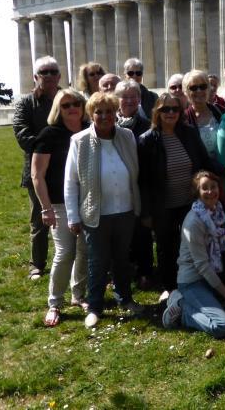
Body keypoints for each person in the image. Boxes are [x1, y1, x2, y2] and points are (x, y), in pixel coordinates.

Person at [64, 92, 144, 328]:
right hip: (95, 213)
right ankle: (95, 306)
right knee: (97, 262)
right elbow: (71, 181)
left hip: (125, 209)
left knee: (122, 259)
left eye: (109, 111)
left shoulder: (127, 136)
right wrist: (72, 215)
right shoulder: (79, 141)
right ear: (91, 115)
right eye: (99, 112)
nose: (105, 116)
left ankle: (125, 299)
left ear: (115, 113)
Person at [138, 93, 225, 299]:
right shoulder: (147, 141)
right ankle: (169, 288)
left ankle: (198, 282)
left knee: (192, 245)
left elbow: (205, 160)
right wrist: (146, 212)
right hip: (163, 205)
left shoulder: (188, 134)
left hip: (189, 203)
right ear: (157, 112)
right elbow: (142, 181)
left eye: (175, 109)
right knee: (165, 246)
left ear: (180, 112)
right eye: (165, 109)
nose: (170, 113)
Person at [32, 88, 89, 326]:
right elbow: (38, 175)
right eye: (66, 105)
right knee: (65, 252)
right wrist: (45, 208)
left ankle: (78, 295)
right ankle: (55, 302)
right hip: (59, 203)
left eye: (76, 103)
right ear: (58, 109)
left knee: (84, 252)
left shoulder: (90, 130)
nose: (72, 108)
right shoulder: (49, 134)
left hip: (88, 202)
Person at [162, 171, 225, 338]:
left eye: (213, 187)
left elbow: (223, 240)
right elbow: (202, 266)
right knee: (222, 326)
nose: (211, 191)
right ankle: (182, 307)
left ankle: (210, 301)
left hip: (214, 274)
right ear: (197, 193)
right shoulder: (193, 222)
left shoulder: (217, 211)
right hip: (193, 281)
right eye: (205, 188)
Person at [13, 55, 62, 280]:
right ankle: (37, 265)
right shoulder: (25, 103)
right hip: (36, 169)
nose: (50, 76)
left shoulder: (67, 98)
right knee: (39, 218)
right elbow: (22, 134)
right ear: (36, 77)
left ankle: (72, 262)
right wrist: (49, 146)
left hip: (63, 167)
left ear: (60, 75)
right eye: (45, 72)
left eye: (53, 71)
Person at [114, 80, 153, 288]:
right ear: (116, 100)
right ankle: (121, 271)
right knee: (119, 233)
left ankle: (145, 271)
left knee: (142, 232)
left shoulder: (147, 126)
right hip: (116, 186)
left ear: (139, 99)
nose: (129, 100)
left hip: (140, 185)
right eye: (124, 96)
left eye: (133, 96)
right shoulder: (108, 125)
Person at [183, 70, 224, 161]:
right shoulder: (182, 119)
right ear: (186, 91)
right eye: (193, 88)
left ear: (208, 89)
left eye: (203, 86)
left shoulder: (222, 112)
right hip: (200, 172)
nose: (199, 91)